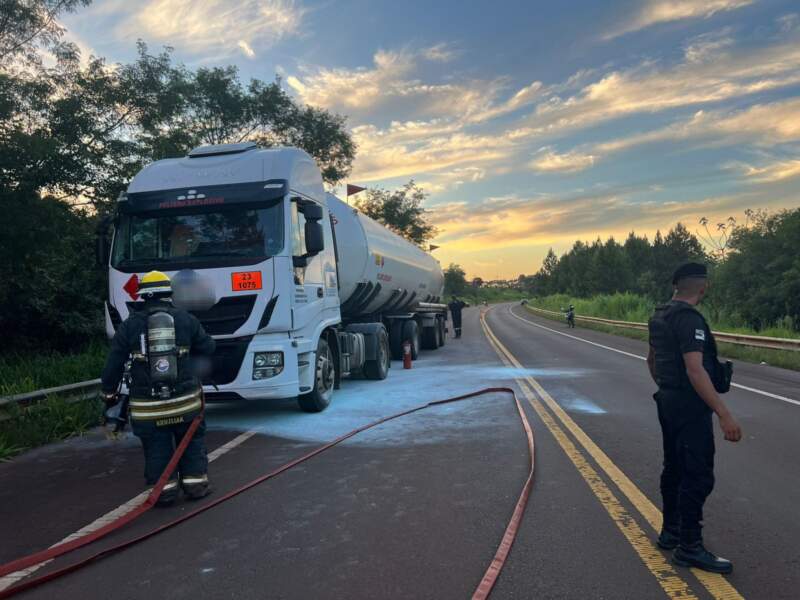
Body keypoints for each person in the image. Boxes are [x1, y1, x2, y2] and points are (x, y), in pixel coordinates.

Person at [647, 262, 742, 573]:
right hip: (689, 407)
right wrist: (724, 414)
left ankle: (670, 532)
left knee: (673, 468)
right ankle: (689, 547)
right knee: (697, 475)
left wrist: (666, 388)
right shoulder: (690, 321)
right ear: (703, 287)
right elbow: (696, 370)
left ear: (677, 286)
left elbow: (652, 359)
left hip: (668, 401)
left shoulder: (660, 315)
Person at [101, 271, 216, 506]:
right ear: (169, 294)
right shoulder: (186, 319)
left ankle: (165, 493)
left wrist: (109, 393)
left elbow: (113, 363)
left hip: (147, 408)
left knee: (156, 447)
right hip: (185, 402)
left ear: (143, 296)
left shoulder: (129, 326)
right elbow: (208, 347)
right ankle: (196, 487)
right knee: (191, 441)